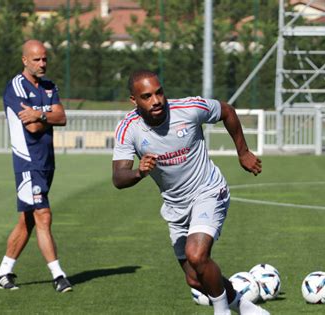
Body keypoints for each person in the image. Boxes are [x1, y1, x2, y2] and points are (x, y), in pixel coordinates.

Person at [112, 70, 268, 315]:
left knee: (196, 255)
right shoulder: (128, 129)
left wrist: (243, 152)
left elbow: (227, 110)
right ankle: (247, 307)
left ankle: (222, 311)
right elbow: (119, 178)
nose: (156, 101)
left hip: (208, 191)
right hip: (175, 205)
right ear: (134, 100)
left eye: (159, 92)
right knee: (195, 279)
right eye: (147, 96)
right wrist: (139, 173)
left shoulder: (189, 108)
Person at [0, 39, 72, 293]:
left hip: (47, 162)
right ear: (24, 60)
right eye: (36, 59)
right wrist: (47, 115)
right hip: (27, 163)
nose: (42, 63)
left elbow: (62, 117)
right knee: (43, 216)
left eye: (45, 58)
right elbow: (34, 127)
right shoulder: (16, 87)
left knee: (27, 219)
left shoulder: (49, 86)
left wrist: (40, 113)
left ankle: (3, 272)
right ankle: (58, 276)